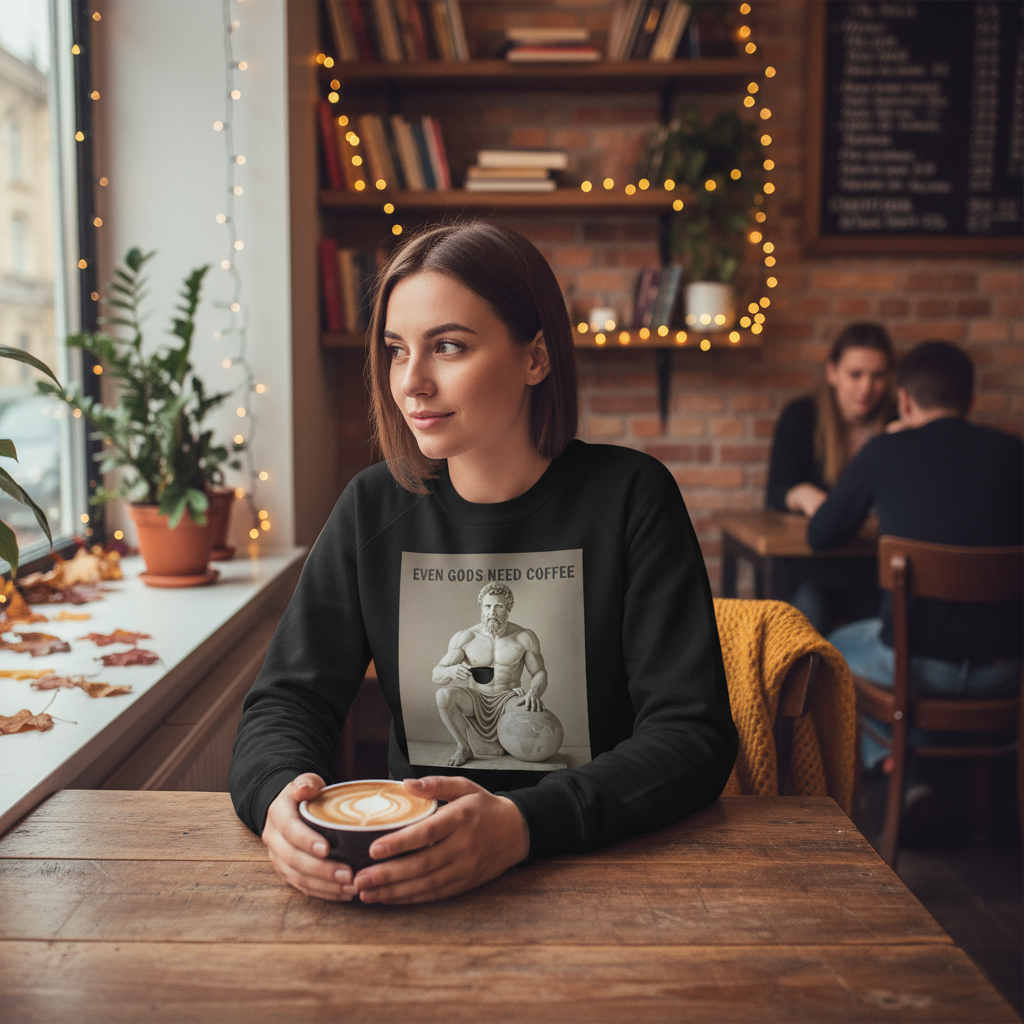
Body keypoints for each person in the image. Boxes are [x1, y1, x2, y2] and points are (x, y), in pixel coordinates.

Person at [229, 221, 737, 906]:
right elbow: (287, 702)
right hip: (406, 877)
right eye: (395, 350)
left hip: (605, 880)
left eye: (448, 347)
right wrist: (277, 803)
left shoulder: (633, 498)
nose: (412, 382)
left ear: (536, 357)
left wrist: (523, 826)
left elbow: (692, 737)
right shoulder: (372, 508)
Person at [808, 341, 1024, 774]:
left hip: (917, 668)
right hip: (1009, 670)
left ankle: (888, 758)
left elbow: (821, 534)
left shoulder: (884, 452)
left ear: (903, 400)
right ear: (971, 400)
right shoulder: (1015, 453)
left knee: (826, 649)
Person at [765, 322, 895, 631]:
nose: (867, 387)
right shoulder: (801, 417)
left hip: (873, 569)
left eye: (877, 376)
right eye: (856, 375)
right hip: (814, 565)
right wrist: (803, 495)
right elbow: (776, 488)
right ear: (832, 372)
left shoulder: (897, 425)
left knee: (884, 626)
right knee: (802, 624)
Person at [432, 581, 548, 766]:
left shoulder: (523, 636)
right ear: (481, 607)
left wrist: (533, 693)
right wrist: (451, 670)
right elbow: (437, 674)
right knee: (443, 695)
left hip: (509, 698)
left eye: (498, 606)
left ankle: (506, 744)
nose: (492, 613)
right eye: (487, 606)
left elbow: (540, 672)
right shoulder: (466, 637)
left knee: (534, 719)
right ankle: (464, 747)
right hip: (476, 699)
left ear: (508, 608)